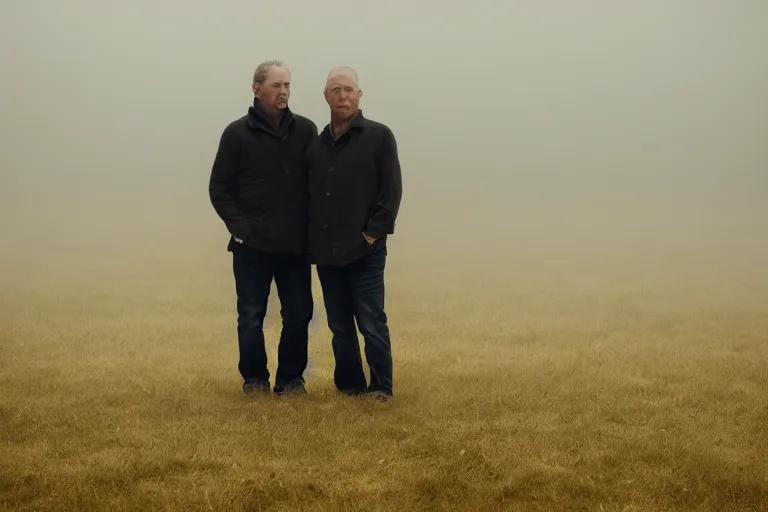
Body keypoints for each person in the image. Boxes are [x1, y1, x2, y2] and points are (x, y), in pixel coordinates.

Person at [209, 60, 318, 396]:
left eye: (287, 85)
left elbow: (317, 183)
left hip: (294, 247)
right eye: (276, 85)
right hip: (251, 248)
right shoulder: (236, 134)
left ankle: (291, 380)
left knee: (299, 315)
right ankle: (254, 379)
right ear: (256, 89)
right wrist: (241, 229)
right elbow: (219, 189)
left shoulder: (306, 130)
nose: (283, 92)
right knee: (251, 317)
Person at [305, 67, 403, 401]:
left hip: (365, 252)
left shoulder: (379, 137)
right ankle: (349, 386)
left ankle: (381, 388)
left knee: (371, 322)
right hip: (328, 255)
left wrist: (372, 236)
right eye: (335, 90)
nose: (342, 96)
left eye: (348, 90)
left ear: (359, 95)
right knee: (339, 326)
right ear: (326, 97)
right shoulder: (317, 147)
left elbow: (390, 193)